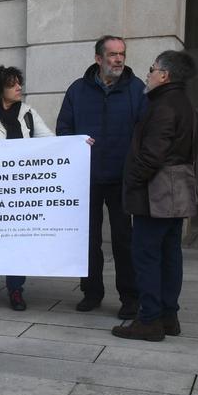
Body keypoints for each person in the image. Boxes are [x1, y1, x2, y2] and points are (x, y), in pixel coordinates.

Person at [112, 51, 198, 342]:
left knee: (147, 256)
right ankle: (167, 316)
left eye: (151, 69)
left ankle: (149, 320)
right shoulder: (184, 103)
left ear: (164, 75)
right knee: (169, 254)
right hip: (175, 192)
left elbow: (152, 155)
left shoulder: (163, 106)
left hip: (158, 193)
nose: (147, 74)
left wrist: (132, 180)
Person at [56, 35, 147, 319]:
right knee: (88, 240)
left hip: (122, 178)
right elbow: (63, 129)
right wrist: (76, 142)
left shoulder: (136, 90)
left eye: (122, 54)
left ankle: (130, 298)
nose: (119, 59)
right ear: (98, 59)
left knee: (124, 241)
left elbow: (145, 131)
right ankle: (91, 292)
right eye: (112, 55)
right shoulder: (78, 90)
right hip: (86, 179)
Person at [0, 65, 54, 311]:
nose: (19, 88)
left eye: (19, 83)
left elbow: (49, 142)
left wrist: (78, 144)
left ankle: (16, 290)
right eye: (12, 84)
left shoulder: (27, 114)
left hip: (21, 191)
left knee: (18, 242)